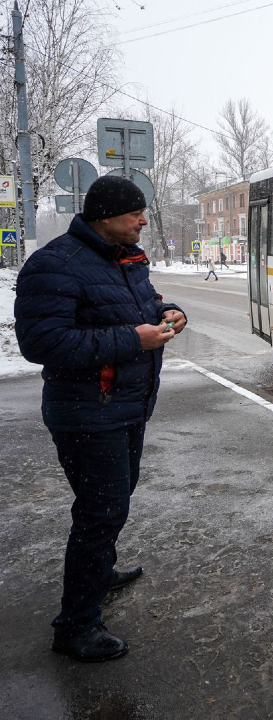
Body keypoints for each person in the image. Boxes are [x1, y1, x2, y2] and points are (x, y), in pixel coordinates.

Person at [14, 175, 187, 663]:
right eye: (135, 212)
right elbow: (42, 344)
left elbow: (144, 303)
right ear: (104, 215)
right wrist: (135, 340)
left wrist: (170, 312)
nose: (144, 220)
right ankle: (76, 625)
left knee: (115, 498)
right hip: (88, 413)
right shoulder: (54, 265)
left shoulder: (125, 258)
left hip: (126, 406)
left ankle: (100, 569)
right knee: (101, 511)